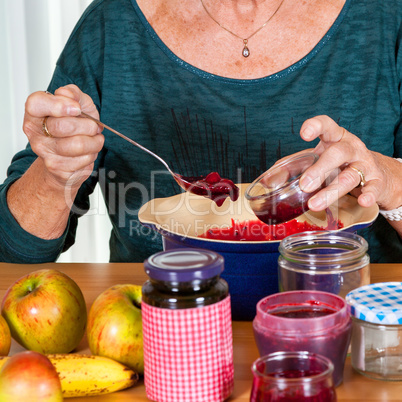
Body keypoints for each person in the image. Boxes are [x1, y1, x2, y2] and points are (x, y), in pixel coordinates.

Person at [0, 0, 401, 264]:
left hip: (360, 341)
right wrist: (56, 173)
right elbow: (12, 255)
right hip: (161, 339)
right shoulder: (111, 24)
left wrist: (390, 184)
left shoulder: (387, 17)